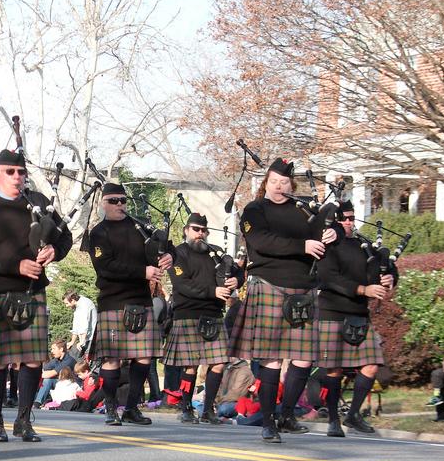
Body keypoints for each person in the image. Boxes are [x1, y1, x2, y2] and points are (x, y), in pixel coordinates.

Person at [0, 149, 72, 442]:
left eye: (21, 172)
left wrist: (54, 250)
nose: (17, 177)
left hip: (31, 291)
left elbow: (65, 235)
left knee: (33, 360)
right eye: (10, 172)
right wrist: (17, 264)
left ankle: (24, 421)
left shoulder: (38, 204)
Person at [229, 158, 338, 442]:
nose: (279, 187)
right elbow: (262, 243)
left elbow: (323, 234)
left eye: (285, 182)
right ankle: (268, 422)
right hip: (269, 286)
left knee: (303, 359)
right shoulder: (255, 210)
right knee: (272, 360)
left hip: (303, 289)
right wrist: (302, 245)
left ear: (292, 185)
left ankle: (287, 414)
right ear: (266, 182)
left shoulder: (303, 211)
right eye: (274, 181)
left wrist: (331, 231)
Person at [88, 182, 173, 427]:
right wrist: (142, 272)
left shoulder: (141, 227)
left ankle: (132, 407)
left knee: (145, 356)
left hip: (141, 300)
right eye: (113, 201)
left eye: (123, 200)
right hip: (113, 301)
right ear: (104, 203)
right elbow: (106, 268)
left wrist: (169, 256)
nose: (119, 205)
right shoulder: (99, 232)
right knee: (112, 359)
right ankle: (111, 407)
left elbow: (168, 248)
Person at [316, 201, 396, 436]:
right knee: (334, 369)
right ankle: (332, 419)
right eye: (344, 219)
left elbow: (385, 266)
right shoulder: (328, 246)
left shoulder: (365, 245)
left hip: (360, 314)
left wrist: (390, 277)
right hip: (332, 312)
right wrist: (363, 290)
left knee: (371, 365)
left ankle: (352, 415)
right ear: (334, 222)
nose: (349, 223)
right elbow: (330, 278)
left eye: (352, 218)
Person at [164, 213, 243, 424]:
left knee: (218, 364)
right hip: (188, 314)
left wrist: (237, 279)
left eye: (203, 230)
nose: (200, 234)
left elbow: (237, 270)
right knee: (190, 366)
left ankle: (208, 410)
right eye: (196, 229)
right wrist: (213, 291)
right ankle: (187, 408)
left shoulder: (215, 253)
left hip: (214, 315)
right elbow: (182, 284)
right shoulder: (177, 254)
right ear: (186, 230)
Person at [35, 340, 77, 406]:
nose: (52, 351)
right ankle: (35, 401)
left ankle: (37, 403)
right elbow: (44, 369)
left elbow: (51, 374)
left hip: (69, 387)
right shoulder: (56, 360)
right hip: (60, 384)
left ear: (61, 349)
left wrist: (36, 375)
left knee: (48, 379)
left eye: (54, 349)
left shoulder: (69, 361)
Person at [63, 291, 97, 359]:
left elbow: (84, 325)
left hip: (92, 337)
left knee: (84, 359)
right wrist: (72, 341)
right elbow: (76, 324)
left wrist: (82, 341)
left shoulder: (84, 305)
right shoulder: (77, 304)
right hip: (86, 337)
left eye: (67, 303)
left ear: (72, 300)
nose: (66, 306)